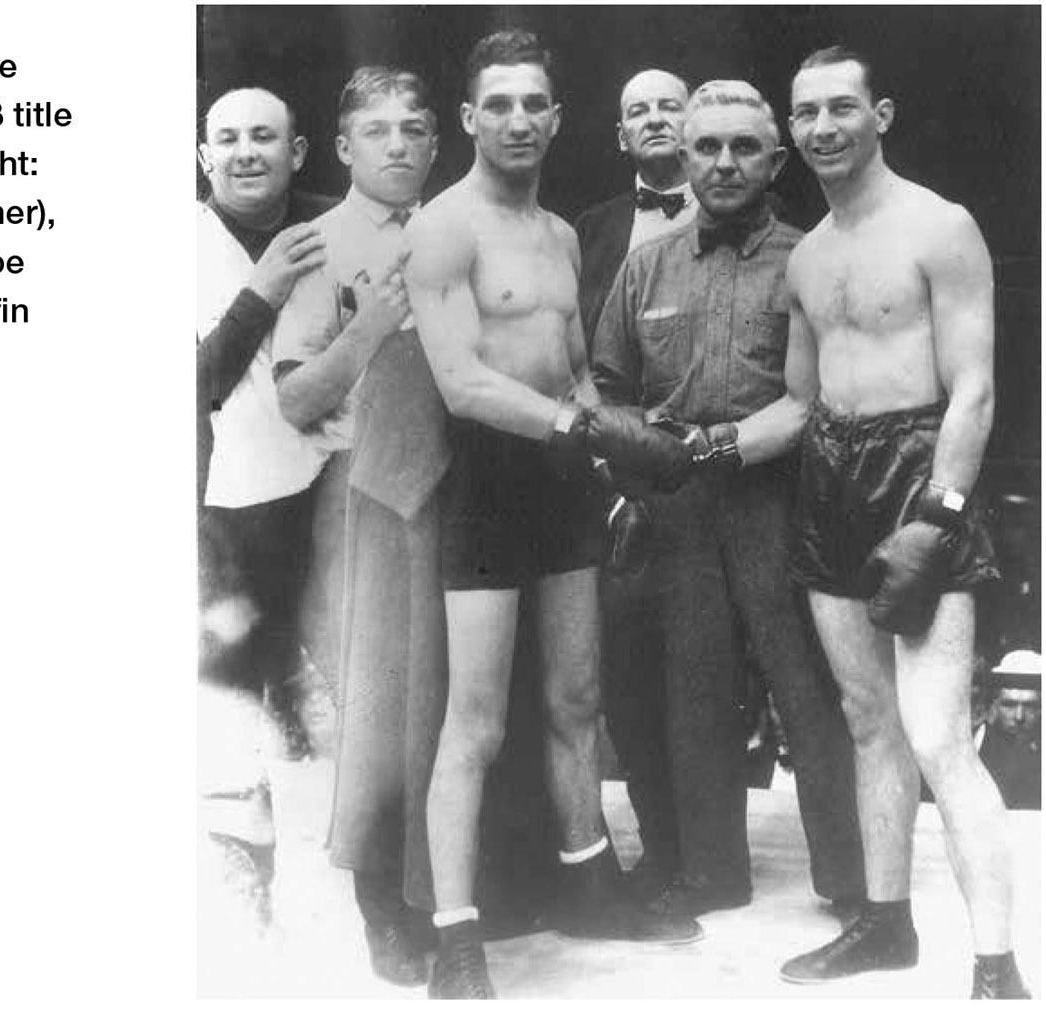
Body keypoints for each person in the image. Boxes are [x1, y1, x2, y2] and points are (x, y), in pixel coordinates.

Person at [404, 28, 700, 999]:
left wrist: (614, 446)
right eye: (499, 104)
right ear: (467, 118)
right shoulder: (445, 225)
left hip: (564, 483)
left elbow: (572, 361)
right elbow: (459, 383)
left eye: (534, 104)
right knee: (476, 721)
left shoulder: (563, 234)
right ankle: (455, 938)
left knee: (577, 700)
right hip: (487, 483)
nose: (519, 120)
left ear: (559, 117)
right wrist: (586, 426)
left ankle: (588, 882)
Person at [766, 46, 1029, 999]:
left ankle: (997, 964)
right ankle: (884, 926)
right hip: (831, 480)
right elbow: (800, 402)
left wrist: (939, 516)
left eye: (842, 108)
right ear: (790, 128)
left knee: (935, 736)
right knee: (867, 719)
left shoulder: (938, 226)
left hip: (920, 477)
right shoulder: (805, 254)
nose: (823, 128)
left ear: (882, 113)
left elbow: (976, 390)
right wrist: (692, 451)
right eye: (806, 114)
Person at [589, 80, 865, 920]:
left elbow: (821, 397)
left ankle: (855, 883)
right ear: (685, 153)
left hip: (780, 496)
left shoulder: (813, 256)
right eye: (707, 146)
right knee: (693, 688)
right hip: (676, 504)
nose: (724, 163)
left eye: (745, 147)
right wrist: (637, 464)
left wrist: (713, 444)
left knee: (807, 687)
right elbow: (607, 384)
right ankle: (712, 874)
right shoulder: (647, 264)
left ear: (776, 157)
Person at [268, 65, 440, 986]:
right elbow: (294, 396)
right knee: (379, 703)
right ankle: (382, 900)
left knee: (447, 702)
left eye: (415, 128)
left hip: (453, 488)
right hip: (360, 491)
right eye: (378, 131)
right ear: (341, 146)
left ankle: (442, 888)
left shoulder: (452, 229)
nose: (400, 144)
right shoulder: (316, 243)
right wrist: (367, 327)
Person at [195, 86, 335, 939]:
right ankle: (248, 913)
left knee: (326, 709)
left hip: (327, 500)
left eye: (264, 136)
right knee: (229, 711)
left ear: (300, 147)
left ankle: (345, 908)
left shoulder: (335, 225)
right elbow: (195, 385)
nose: (246, 151)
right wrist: (264, 290)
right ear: (202, 153)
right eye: (227, 138)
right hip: (217, 518)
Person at [573, 68, 699, 898]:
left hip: (721, 482)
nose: (653, 118)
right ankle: (662, 854)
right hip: (610, 486)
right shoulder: (587, 231)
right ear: (620, 137)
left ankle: (713, 858)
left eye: (668, 105)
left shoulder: (755, 222)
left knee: (705, 678)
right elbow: (574, 362)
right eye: (636, 111)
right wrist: (607, 479)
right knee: (623, 678)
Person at [975, 652, 1041, 811]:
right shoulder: (976, 751)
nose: (1019, 717)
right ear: (993, 707)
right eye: (1009, 705)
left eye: (1030, 706)